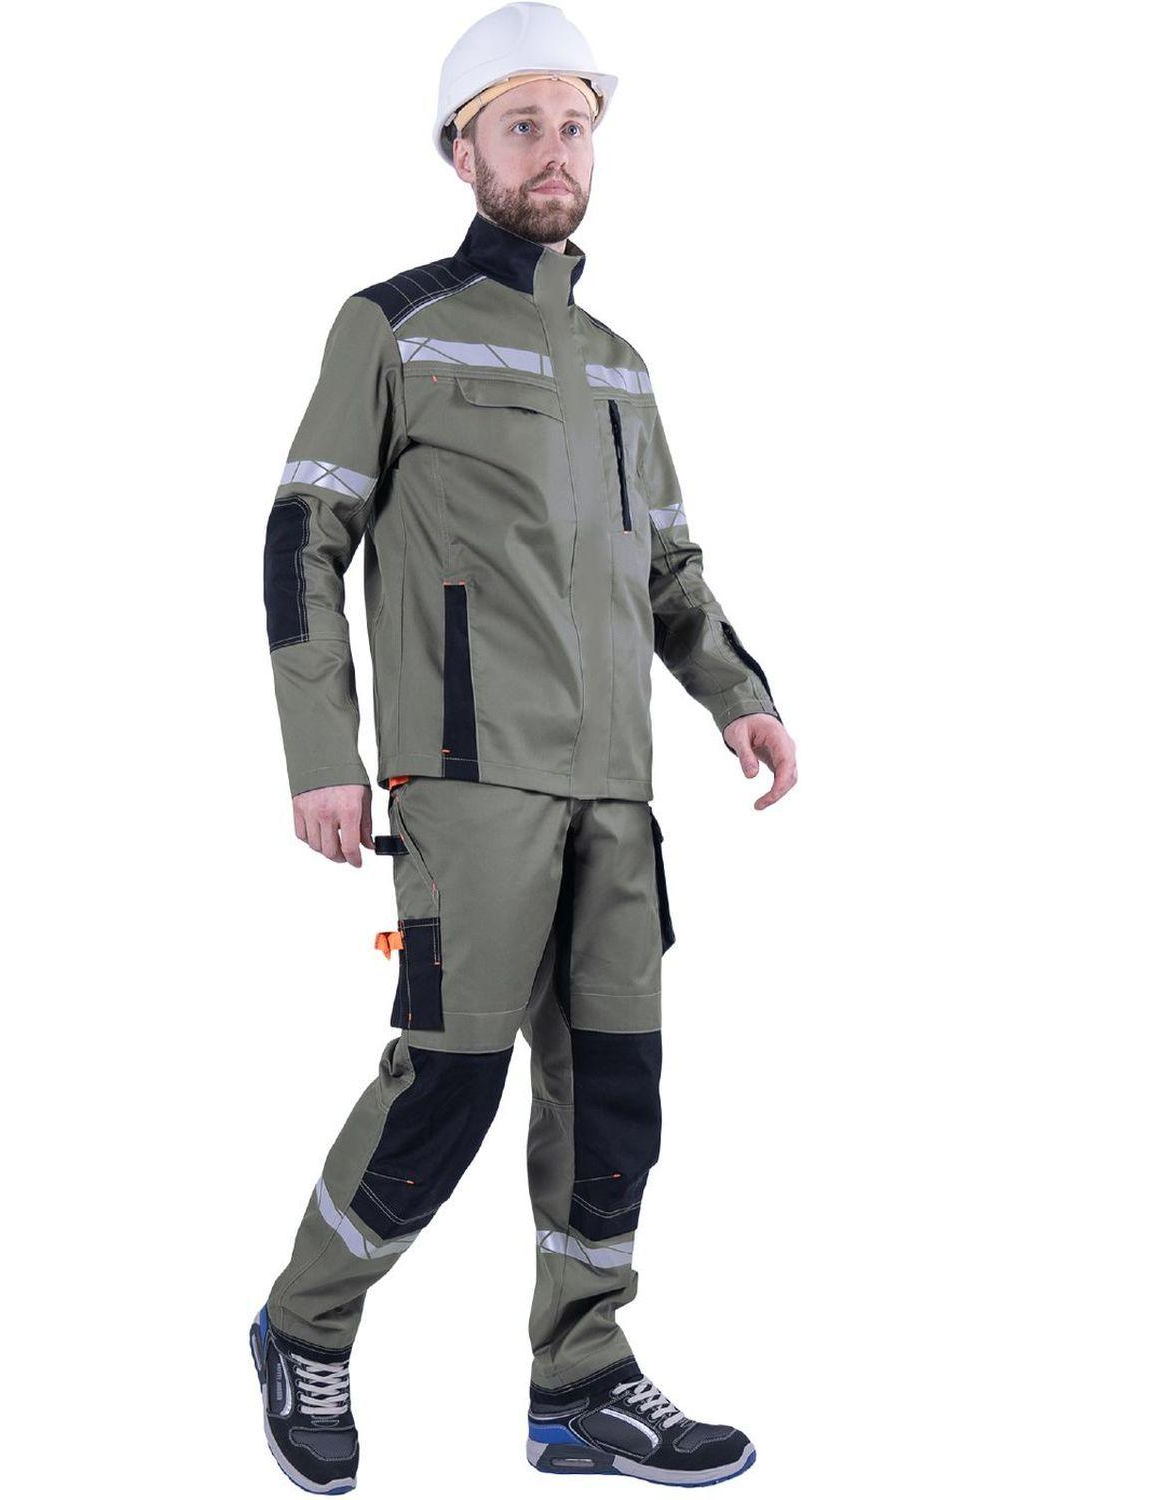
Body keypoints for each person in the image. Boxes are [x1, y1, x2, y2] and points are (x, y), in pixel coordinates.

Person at [249, 4, 797, 1490]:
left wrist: (737, 694)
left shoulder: (621, 365)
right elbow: (305, 535)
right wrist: (321, 747)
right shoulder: (394, 325)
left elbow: (671, 568)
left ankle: (582, 1379)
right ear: (463, 150)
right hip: (468, 775)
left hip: (616, 785)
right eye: (523, 127)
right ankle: (305, 1323)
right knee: (450, 1076)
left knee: (616, 1082)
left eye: (575, 127)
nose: (556, 153)